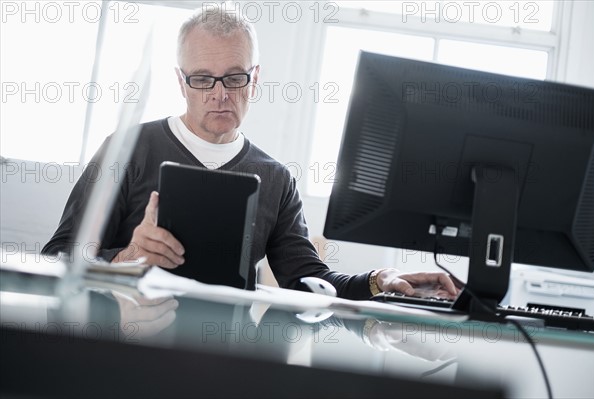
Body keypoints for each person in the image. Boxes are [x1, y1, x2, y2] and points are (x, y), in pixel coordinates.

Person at [43, 5, 458, 301]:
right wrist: (128, 257)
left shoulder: (275, 178)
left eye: (235, 77)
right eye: (203, 79)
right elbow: (55, 257)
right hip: (126, 345)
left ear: (255, 79)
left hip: (226, 357)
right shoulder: (127, 150)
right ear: (181, 81)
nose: (221, 94)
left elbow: (308, 279)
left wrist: (379, 279)